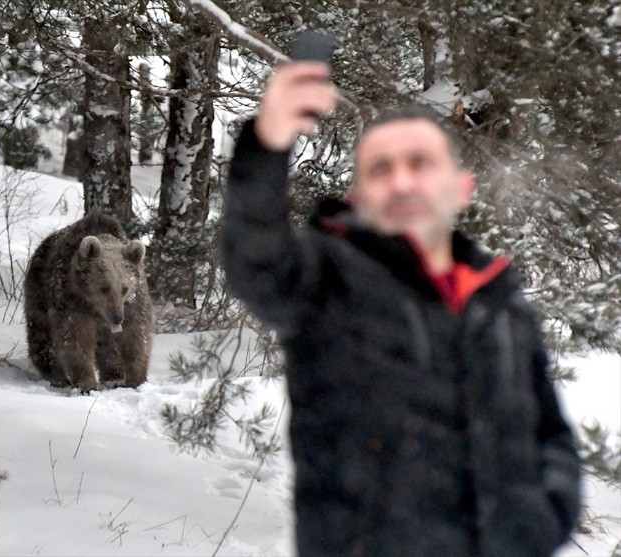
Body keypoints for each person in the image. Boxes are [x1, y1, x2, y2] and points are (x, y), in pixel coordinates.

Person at [221, 61, 581, 556]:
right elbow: (255, 259)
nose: (402, 182)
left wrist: (547, 515)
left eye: (421, 163)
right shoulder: (326, 279)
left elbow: (549, 427)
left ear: (461, 188)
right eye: (381, 169)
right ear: (358, 195)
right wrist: (266, 144)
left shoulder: (495, 296)